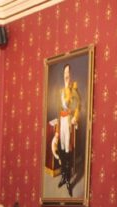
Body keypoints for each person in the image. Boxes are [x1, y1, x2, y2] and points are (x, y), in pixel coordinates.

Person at [51, 63, 80, 196]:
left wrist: (75, 117)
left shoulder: (74, 90)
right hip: (61, 122)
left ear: (71, 74)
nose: (66, 75)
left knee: (68, 150)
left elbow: (78, 107)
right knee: (62, 149)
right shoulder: (61, 92)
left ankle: (68, 179)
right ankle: (63, 176)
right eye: (65, 73)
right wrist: (57, 130)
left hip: (68, 121)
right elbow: (58, 111)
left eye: (68, 73)